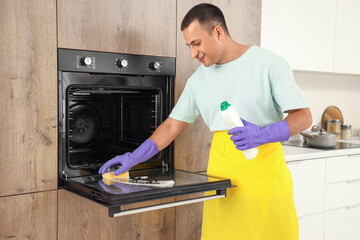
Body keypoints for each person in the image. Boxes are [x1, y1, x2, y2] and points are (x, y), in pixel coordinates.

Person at [98, 3, 312, 240]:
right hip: (222, 183)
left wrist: (263, 134)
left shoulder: (269, 64)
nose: (193, 53)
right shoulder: (198, 81)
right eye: (189, 46)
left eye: (196, 43)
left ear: (218, 32)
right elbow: (171, 125)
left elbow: (303, 117)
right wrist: (134, 157)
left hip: (265, 181)